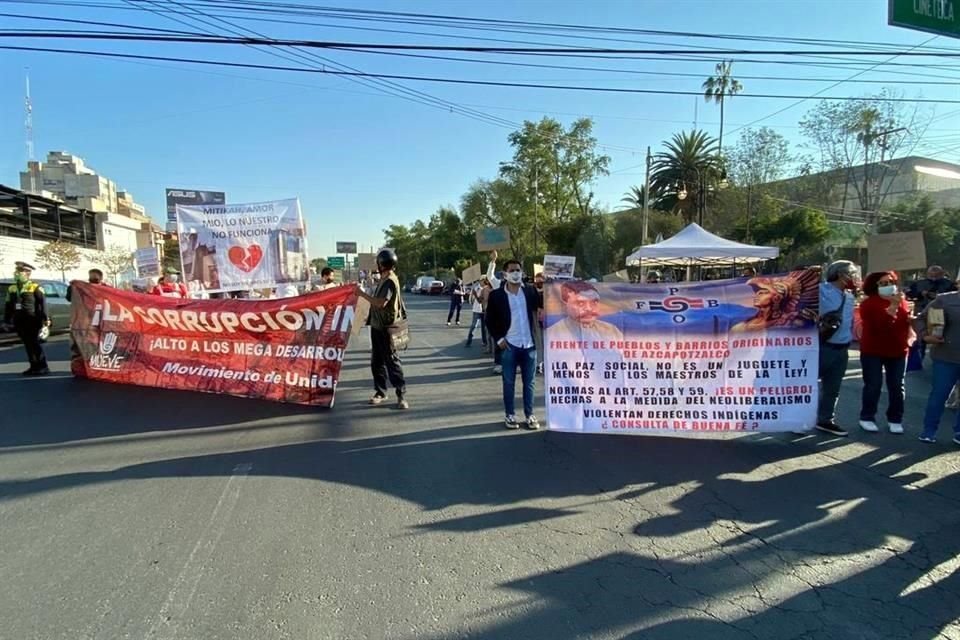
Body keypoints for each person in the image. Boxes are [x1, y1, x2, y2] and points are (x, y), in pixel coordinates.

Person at [485, 257, 542, 430]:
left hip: (529, 345)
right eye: (512, 270)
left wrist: (553, 284)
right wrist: (499, 339)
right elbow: (489, 320)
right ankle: (510, 415)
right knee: (508, 383)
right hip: (509, 346)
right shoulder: (497, 295)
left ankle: (529, 415)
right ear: (505, 274)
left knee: (529, 383)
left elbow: (545, 303)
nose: (516, 273)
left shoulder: (530, 291)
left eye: (518, 270)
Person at [857, 271, 911, 435]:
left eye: (891, 282)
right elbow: (880, 327)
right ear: (875, 286)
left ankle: (895, 419)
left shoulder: (902, 301)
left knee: (897, 386)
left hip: (898, 350)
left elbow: (904, 324)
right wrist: (893, 307)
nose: (889, 285)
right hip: (873, 350)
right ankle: (867, 417)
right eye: (883, 283)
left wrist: (911, 320)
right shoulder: (868, 304)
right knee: (873, 385)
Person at [357, 248, 408, 410]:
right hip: (377, 326)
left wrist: (361, 294)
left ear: (381, 264)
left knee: (392, 361)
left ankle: (401, 395)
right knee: (377, 362)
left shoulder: (390, 281)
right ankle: (380, 392)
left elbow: (381, 303)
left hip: (386, 328)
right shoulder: (384, 279)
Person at [815, 260, 860, 437]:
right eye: (853, 273)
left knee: (832, 388)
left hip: (842, 350)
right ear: (842, 275)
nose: (855, 277)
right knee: (808, 385)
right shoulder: (820, 291)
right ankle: (799, 418)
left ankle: (825, 420)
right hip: (822, 347)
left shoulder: (849, 297)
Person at [916, 289, 960, 445]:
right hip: (946, 358)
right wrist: (925, 336)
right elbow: (921, 319)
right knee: (939, 395)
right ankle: (929, 430)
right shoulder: (944, 300)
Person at [3, 261, 50, 375]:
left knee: (34, 343)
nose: (16, 273)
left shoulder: (35, 287)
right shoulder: (12, 288)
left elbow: (42, 304)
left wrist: (46, 319)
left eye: (20, 271)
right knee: (27, 344)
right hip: (19, 320)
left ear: (27, 273)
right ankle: (33, 366)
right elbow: (8, 305)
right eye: (17, 271)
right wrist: (6, 320)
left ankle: (43, 366)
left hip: (32, 319)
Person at [732, 271, 819, 332]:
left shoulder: (789, 322)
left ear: (776, 298)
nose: (757, 296)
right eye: (757, 293)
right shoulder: (742, 326)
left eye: (763, 293)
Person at [465, 279, 487, 348]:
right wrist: (472, 296)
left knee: (484, 327)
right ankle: (469, 341)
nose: (482, 281)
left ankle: (484, 342)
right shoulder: (476, 288)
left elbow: (480, 300)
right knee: (474, 326)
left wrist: (475, 294)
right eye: (481, 280)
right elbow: (471, 298)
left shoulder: (486, 289)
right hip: (477, 310)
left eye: (483, 280)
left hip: (484, 310)